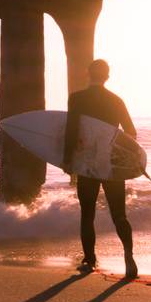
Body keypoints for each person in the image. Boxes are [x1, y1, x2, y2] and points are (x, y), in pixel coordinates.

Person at [62, 59, 138, 279]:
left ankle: (89, 260)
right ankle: (129, 256)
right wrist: (119, 156)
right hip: (110, 165)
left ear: (88, 73)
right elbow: (131, 132)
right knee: (119, 215)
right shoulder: (116, 100)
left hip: (88, 166)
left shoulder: (77, 98)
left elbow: (72, 130)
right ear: (107, 76)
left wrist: (68, 160)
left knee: (87, 214)